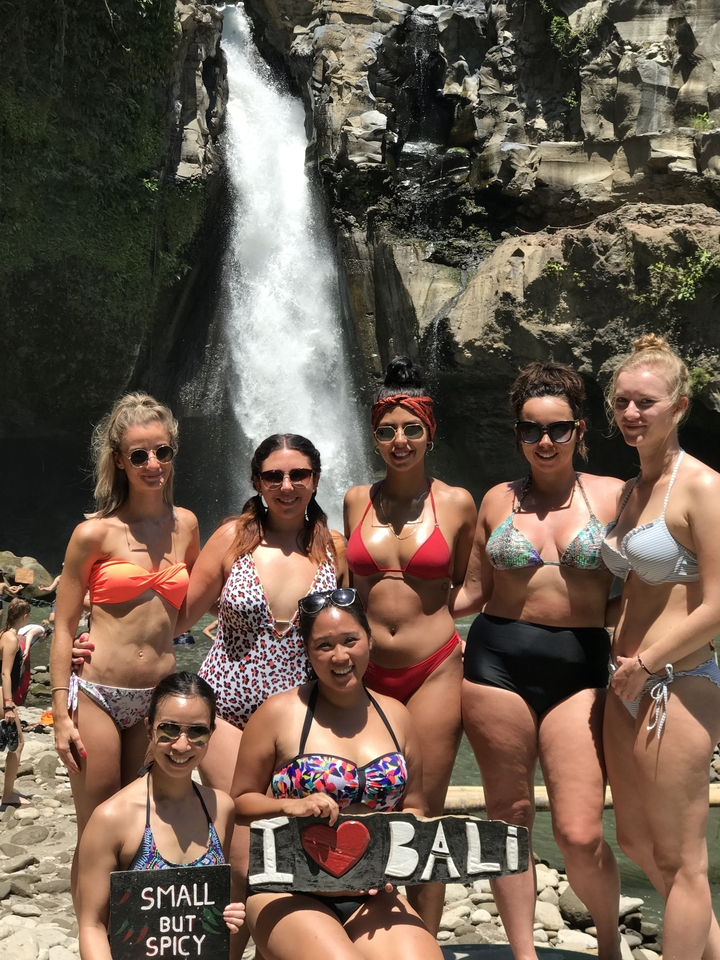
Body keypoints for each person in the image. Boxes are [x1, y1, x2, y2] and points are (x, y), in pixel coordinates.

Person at [452, 360, 623, 960]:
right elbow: (470, 593)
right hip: (496, 663)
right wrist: (391, 607)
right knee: (508, 816)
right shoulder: (496, 499)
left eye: (557, 428)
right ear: (517, 433)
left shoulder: (616, 496)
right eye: (530, 429)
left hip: (580, 669)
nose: (544, 441)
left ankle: (609, 944)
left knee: (578, 832)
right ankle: (524, 953)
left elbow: (644, 589)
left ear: (580, 429)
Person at [232, 588, 442, 960]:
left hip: (371, 894)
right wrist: (289, 806)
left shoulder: (397, 716)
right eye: (324, 645)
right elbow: (240, 802)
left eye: (350, 641)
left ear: (370, 640)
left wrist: (395, 861)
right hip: (289, 890)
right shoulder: (279, 713)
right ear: (307, 651)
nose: (340, 656)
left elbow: (414, 807)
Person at [343, 356, 476, 932]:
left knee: (424, 808)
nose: (400, 441)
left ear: (430, 432)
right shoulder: (355, 499)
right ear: (374, 437)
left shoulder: (457, 502)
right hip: (364, 671)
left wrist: (439, 617)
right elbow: (347, 587)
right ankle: (363, 930)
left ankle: (423, 940)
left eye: (412, 429)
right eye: (387, 431)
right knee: (360, 801)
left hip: (433, 667)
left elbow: (471, 583)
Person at [50, 393, 199, 892]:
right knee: (96, 828)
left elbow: (190, 608)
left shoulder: (186, 526)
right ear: (119, 459)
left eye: (163, 451)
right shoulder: (93, 534)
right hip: (99, 694)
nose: (153, 464)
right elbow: (63, 626)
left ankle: (131, 928)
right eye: (139, 455)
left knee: (142, 822)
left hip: (158, 699)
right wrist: (60, 714)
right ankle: (92, 930)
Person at [601, 335, 720, 960]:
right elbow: (628, 593)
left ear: (679, 406)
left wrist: (646, 664)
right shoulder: (629, 491)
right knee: (636, 843)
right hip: (624, 682)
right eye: (622, 401)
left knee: (682, 861)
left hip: (676, 683)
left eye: (645, 402)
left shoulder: (702, 486)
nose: (631, 413)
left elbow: (718, 603)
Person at [76, 672, 245, 960]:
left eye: (197, 732)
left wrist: (228, 913)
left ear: (211, 734)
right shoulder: (111, 818)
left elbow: (209, 903)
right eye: (168, 729)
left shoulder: (220, 808)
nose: (181, 745)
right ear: (149, 729)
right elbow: (92, 925)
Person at [0, 599, 31, 807]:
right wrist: (9, 704)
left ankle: (9, 791)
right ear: (25, 616)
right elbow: (5, 673)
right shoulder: (11, 638)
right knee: (17, 744)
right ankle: (8, 794)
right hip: (3, 696)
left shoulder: (3, 634)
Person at [15, 619, 52, 706]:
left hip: (16, 643)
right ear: (45, 634)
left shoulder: (32, 627)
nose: (44, 640)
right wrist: (27, 649)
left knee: (16, 672)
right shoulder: (41, 630)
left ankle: (15, 697)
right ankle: (18, 699)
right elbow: (30, 634)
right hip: (22, 646)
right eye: (46, 638)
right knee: (23, 675)